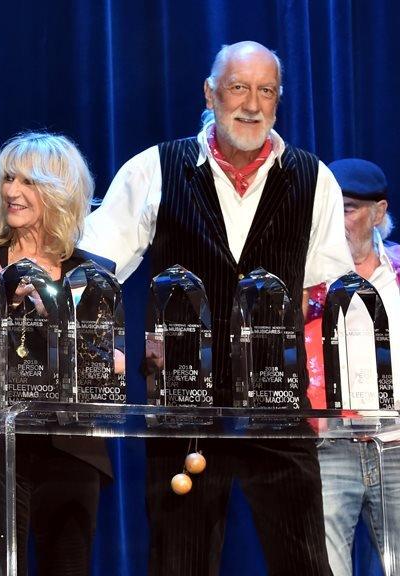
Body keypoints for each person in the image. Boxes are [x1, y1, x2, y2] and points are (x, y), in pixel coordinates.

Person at [79, 41, 352, 574]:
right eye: (238, 88)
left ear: (279, 101)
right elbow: (94, 268)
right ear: (209, 93)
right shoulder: (154, 169)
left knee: (303, 558)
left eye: (266, 91)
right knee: (179, 559)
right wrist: (91, 343)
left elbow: (321, 294)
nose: (252, 103)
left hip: (279, 401)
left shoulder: (314, 178)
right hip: (184, 399)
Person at [0, 132, 113, 575]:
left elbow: (100, 379)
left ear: (59, 192)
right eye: (8, 179)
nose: (13, 191)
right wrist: (3, 303)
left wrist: (54, 316)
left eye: (29, 182)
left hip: (70, 451)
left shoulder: (95, 274)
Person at [303, 158, 400, 576]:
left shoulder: (397, 273)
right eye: (327, 209)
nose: (334, 222)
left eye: (345, 209)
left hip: (397, 446)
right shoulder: (303, 279)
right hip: (330, 447)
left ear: (378, 213)